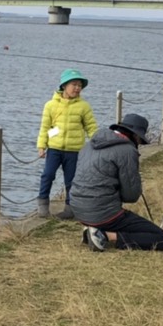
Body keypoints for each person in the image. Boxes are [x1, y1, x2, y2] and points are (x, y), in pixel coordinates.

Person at [68, 114, 163, 250]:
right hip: (103, 214)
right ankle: (104, 235)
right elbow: (131, 196)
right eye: (139, 141)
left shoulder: (89, 145)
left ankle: (93, 229)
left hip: (77, 208)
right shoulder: (127, 150)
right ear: (135, 136)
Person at [36, 68, 97, 218]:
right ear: (64, 86)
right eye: (74, 84)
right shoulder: (50, 105)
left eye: (80, 85)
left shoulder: (84, 106)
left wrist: (98, 143)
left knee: (71, 180)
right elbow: (45, 127)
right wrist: (41, 145)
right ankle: (43, 205)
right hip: (54, 149)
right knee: (47, 175)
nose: (77, 88)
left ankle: (70, 209)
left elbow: (91, 127)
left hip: (74, 150)